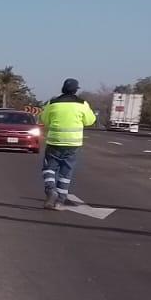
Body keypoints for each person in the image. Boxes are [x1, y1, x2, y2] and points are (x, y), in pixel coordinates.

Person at [38, 79, 97, 209]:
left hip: (55, 142)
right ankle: (60, 200)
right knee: (66, 173)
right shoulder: (82, 104)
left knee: (49, 169)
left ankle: (50, 190)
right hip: (73, 144)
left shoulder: (52, 103)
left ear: (63, 89)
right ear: (76, 90)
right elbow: (90, 121)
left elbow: (45, 120)